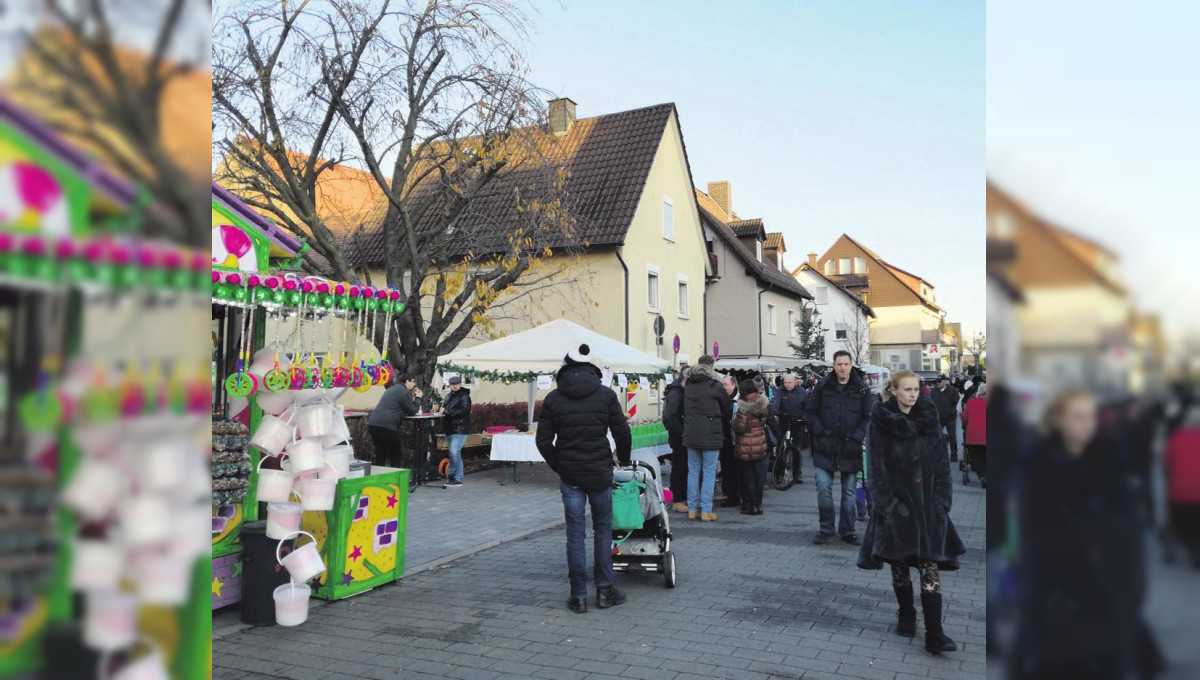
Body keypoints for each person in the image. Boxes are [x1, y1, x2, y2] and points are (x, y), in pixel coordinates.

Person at [1012, 389, 1143, 678]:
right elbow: (1031, 534)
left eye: (1092, 417)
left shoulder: (1109, 460)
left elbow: (1129, 536)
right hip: (1055, 591)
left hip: (1106, 592)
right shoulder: (1039, 464)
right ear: (1058, 418)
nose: (1088, 425)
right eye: (1079, 417)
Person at [857, 370, 966, 655]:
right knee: (900, 565)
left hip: (929, 508)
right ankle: (906, 612)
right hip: (898, 507)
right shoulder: (881, 422)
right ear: (893, 390)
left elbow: (943, 464)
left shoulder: (929, 420)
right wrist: (890, 507)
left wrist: (942, 501)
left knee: (929, 566)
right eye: (907, 389)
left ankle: (935, 632)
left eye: (916, 389)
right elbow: (876, 470)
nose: (913, 394)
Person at [535, 343, 632, 614]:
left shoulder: (554, 398)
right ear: (593, 369)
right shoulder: (605, 395)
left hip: (571, 474)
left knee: (574, 535)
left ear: (565, 368)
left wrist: (559, 466)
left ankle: (578, 596)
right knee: (602, 530)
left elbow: (543, 441)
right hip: (600, 472)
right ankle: (604, 590)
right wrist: (623, 458)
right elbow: (622, 432)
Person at [806, 351, 873, 545]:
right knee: (823, 487)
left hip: (850, 448)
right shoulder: (823, 386)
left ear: (851, 365)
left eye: (846, 363)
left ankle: (847, 530)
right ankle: (826, 528)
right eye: (839, 364)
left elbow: (868, 416)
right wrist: (820, 431)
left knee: (849, 491)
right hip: (825, 447)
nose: (842, 367)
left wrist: (857, 436)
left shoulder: (861, 389)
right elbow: (811, 411)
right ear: (833, 366)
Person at [682, 355, 729, 521]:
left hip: (691, 433)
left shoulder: (688, 385)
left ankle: (692, 509)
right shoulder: (714, 385)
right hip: (711, 433)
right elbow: (726, 406)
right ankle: (706, 511)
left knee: (693, 471)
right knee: (709, 472)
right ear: (712, 367)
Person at [733, 379, 770, 516]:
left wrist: (733, 422)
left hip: (746, 446)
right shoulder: (762, 405)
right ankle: (758, 505)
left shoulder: (744, 408)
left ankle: (751, 505)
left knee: (748, 477)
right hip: (760, 444)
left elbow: (740, 428)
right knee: (758, 477)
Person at [367, 376, 422, 468]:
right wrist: (418, 398)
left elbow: (397, 406)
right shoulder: (405, 392)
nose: (413, 385)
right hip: (387, 426)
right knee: (396, 454)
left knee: (381, 454)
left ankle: (378, 478)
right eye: (412, 382)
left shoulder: (392, 389)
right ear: (407, 381)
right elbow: (412, 410)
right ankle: (394, 478)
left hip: (374, 423)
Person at [769, 373, 808, 484]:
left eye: (789, 382)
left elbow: (807, 407)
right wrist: (775, 411)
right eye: (785, 382)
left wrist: (804, 418)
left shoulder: (802, 392)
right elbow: (775, 403)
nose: (787, 385)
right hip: (784, 422)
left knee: (797, 450)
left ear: (795, 382)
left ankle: (797, 474)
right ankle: (779, 474)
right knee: (782, 449)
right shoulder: (780, 391)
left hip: (797, 423)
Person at [663, 368, 688, 513]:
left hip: (680, 435)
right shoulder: (675, 393)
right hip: (678, 437)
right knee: (679, 467)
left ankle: (680, 497)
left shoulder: (678, 392)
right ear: (683, 381)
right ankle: (677, 499)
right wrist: (682, 433)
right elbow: (671, 416)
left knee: (682, 467)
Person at [440, 376, 472, 488]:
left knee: (454, 452)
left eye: (457, 384)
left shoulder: (464, 396)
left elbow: (464, 411)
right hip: (449, 429)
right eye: (452, 384)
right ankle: (459, 479)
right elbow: (444, 410)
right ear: (449, 385)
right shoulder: (448, 396)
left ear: (460, 384)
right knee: (456, 454)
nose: (454, 386)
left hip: (460, 429)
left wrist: (447, 411)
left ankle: (452, 474)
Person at [717, 374, 742, 508]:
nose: (723, 387)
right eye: (722, 384)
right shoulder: (724, 399)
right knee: (727, 467)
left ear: (734, 385)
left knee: (733, 468)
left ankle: (734, 496)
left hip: (735, 439)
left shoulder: (738, 401)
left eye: (725, 384)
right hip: (725, 438)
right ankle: (729, 494)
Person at [960, 383, 987, 487]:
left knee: (976, 457)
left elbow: (964, 418)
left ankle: (983, 477)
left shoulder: (971, 402)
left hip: (974, 437)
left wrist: (964, 426)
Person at [930, 375, 962, 464]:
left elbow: (957, 403)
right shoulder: (933, 391)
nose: (937, 383)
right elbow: (930, 403)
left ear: (944, 382)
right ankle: (938, 455)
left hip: (950, 418)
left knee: (952, 437)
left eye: (939, 382)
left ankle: (954, 454)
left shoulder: (953, 391)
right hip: (938, 418)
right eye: (936, 382)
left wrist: (952, 411)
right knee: (937, 437)